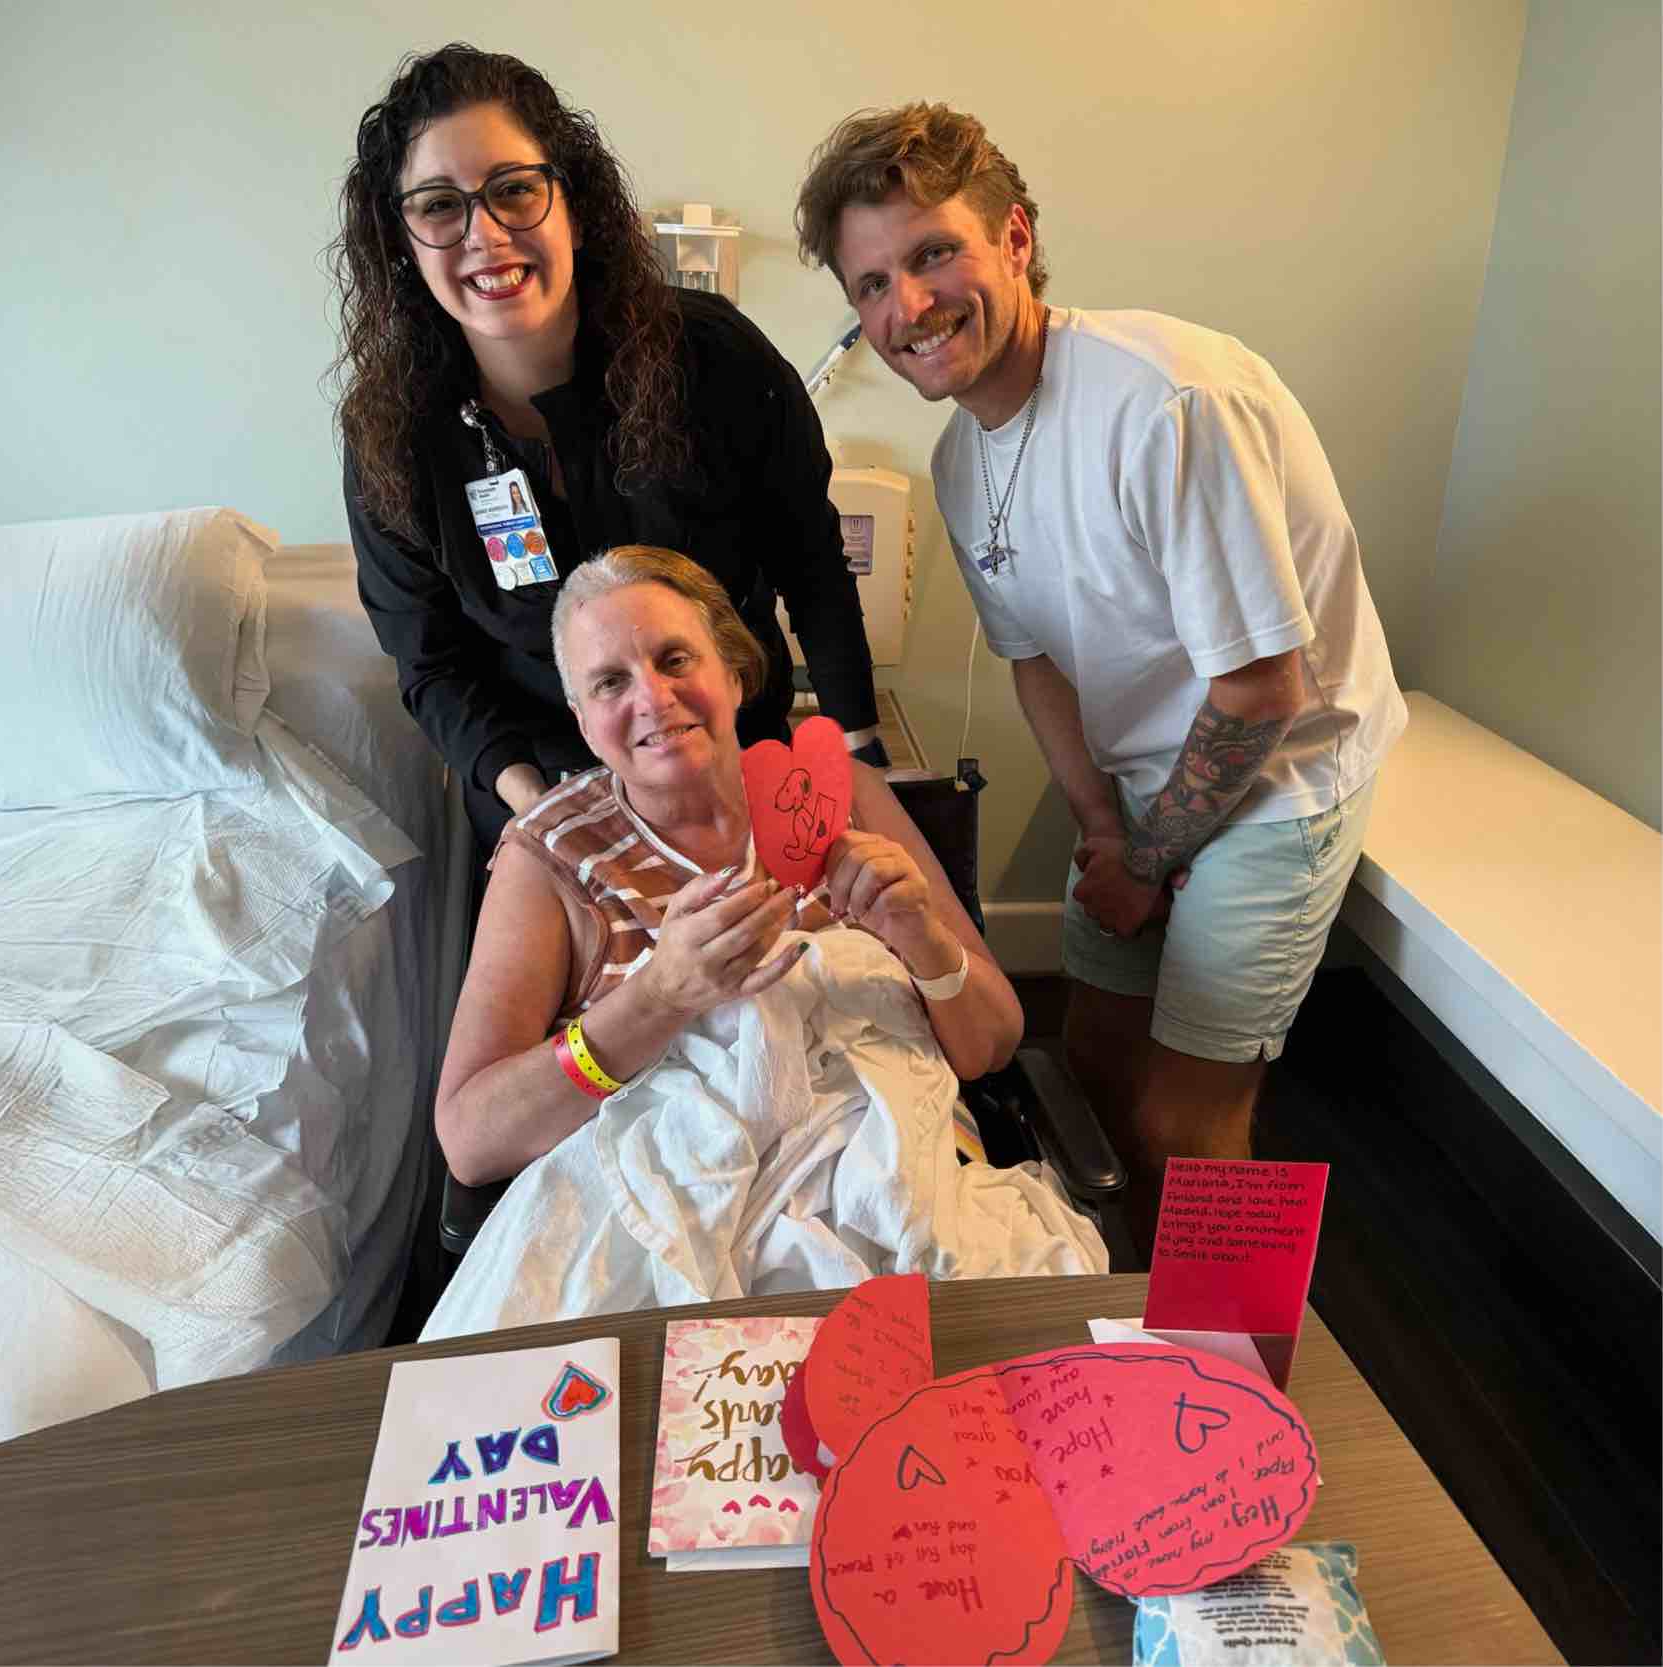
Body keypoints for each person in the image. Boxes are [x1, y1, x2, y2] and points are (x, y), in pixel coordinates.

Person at [795, 104, 1408, 1248]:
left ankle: (1229, 1370)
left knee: (1183, 1117)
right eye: (871, 283)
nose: (907, 307)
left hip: (1279, 778)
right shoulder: (961, 458)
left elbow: (1259, 693)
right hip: (1139, 786)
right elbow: (1036, 662)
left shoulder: (1167, 401)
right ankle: (1103, 1307)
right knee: (1087, 1056)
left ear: (1015, 239)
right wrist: (1097, 826)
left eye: (933, 253)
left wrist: (1147, 858)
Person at [418, 547, 1107, 1338]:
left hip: (899, 1197)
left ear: (734, 673)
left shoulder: (844, 796)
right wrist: (656, 998)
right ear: (580, 716)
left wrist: (920, 940)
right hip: (686, 1237)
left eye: (675, 658)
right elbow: (471, 1141)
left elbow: (991, 1044)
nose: (652, 696)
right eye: (609, 681)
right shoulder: (551, 856)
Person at [329, 44, 886, 858]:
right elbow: (432, 665)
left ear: (574, 207)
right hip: (548, 798)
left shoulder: (713, 359)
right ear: (402, 243)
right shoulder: (392, 433)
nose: (483, 234)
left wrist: (856, 752)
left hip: (736, 772)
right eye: (440, 205)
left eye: (515, 190)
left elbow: (813, 570)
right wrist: (545, 813)